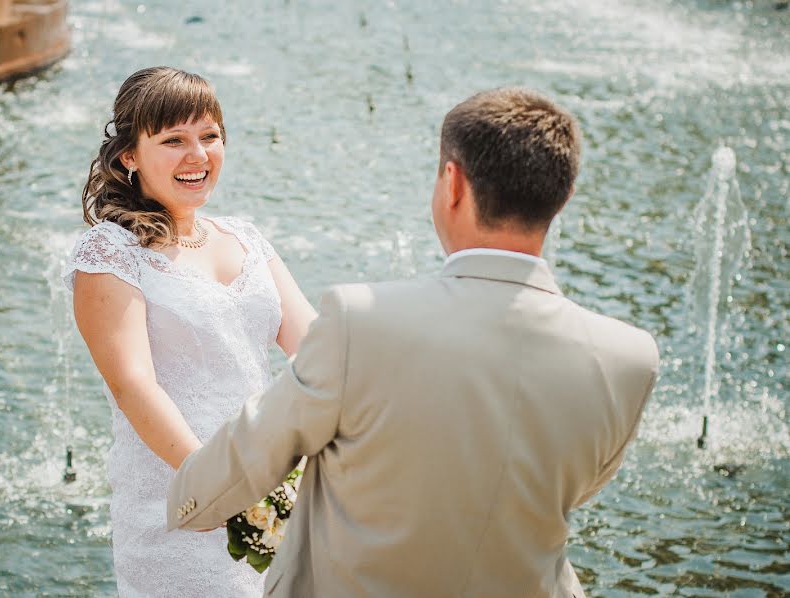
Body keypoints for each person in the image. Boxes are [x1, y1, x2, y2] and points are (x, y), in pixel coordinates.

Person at [167, 87, 659, 597]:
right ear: (563, 195)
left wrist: (187, 501)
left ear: (452, 183)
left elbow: (251, 453)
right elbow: (573, 487)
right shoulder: (629, 360)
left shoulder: (362, 321)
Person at [64, 67, 316, 597]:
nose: (198, 155)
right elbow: (134, 384)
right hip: (180, 506)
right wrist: (217, 485)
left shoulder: (245, 238)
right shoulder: (109, 253)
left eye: (210, 136)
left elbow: (317, 349)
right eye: (174, 140)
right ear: (129, 155)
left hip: (270, 496)